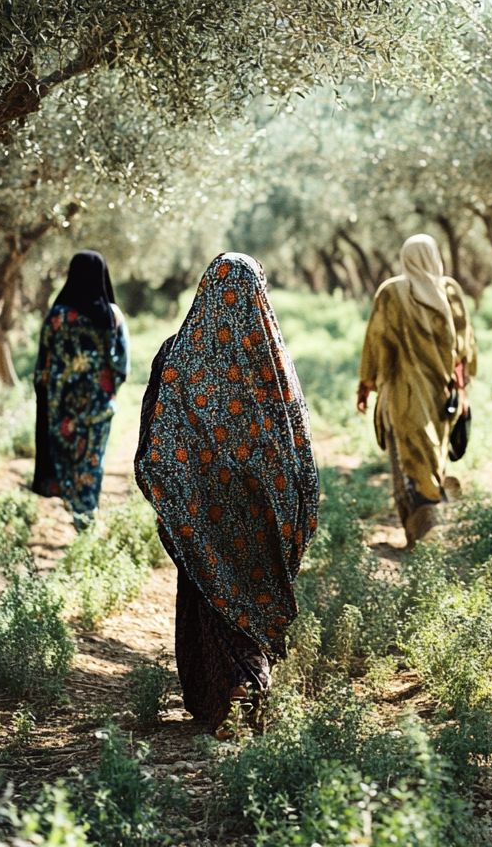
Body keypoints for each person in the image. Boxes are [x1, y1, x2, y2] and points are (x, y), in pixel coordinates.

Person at [135, 254, 319, 732]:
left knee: (208, 597)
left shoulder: (177, 354)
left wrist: (171, 495)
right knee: (251, 593)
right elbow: (297, 445)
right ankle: (249, 684)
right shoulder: (272, 361)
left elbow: (153, 436)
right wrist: (297, 507)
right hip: (259, 509)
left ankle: (223, 697)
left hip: (200, 510)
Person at [357, 235, 477, 546]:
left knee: (406, 461)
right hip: (441, 395)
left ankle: (416, 533)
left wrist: (366, 384)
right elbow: (464, 348)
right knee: (433, 455)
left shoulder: (391, 292)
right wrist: (461, 390)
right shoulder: (449, 290)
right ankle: (430, 525)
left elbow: (376, 341)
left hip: (401, 394)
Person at [33, 250, 129, 530]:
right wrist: (109, 391)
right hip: (99, 409)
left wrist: (50, 396)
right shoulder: (112, 317)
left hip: (61, 408)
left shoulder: (56, 316)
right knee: (91, 461)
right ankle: (85, 516)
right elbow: (122, 365)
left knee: (66, 460)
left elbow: (42, 367)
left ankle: (76, 508)